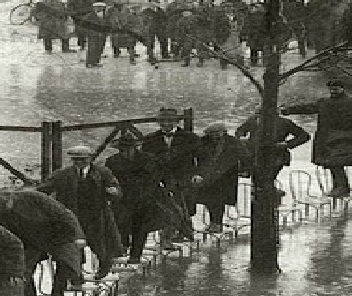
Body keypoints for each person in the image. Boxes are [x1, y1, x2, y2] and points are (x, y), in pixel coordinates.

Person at [281, 79, 352, 197]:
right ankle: (338, 186)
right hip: (329, 138)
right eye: (331, 89)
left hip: (347, 138)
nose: (333, 91)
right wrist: (288, 110)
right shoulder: (325, 102)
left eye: (336, 89)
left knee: (335, 162)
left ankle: (342, 188)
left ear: (342, 89)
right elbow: (307, 108)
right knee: (332, 163)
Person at [0, 187, 86, 296]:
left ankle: (58, 292)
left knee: (68, 261)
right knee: (22, 271)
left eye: (4, 205)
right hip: (27, 241)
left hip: (56, 233)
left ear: (9, 198)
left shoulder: (34, 197)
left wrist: (78, 236)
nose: (4, 209)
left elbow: (64, 214)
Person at [37, 144, 123, 279]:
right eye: (76, 159)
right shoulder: (62, 174)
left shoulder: (102, 172)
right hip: (72, 214)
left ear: (90, 158)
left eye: (82, 159)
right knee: (73, 245)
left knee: (99, 243)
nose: (79, 162)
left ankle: (104, 266)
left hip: (96, 214)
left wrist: (113, 192)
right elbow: (44, 189)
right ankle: (77, 274)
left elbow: (116, 190)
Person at [106, 136, 174, 262]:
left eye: (127, 149)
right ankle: (122, 250)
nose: (124, 152)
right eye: (121, 150)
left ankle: (135, 256)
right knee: (120, 224)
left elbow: (156, 178)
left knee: (140, 227)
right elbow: (110, 179)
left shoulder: (149, 159)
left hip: (145, 197)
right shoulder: (112, 161)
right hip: (123, 199)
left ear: (134, 148)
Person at [140, 107, 202, 239]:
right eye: (163, 121)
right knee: (164, 205)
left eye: (170, 121)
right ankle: (168, 232)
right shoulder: (150, 139)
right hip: (160, 178)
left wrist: (198, 174)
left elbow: (201, 158)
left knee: (185, 204)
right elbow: (144, 161)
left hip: (184, 176)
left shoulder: (190, 138)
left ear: (176, 122)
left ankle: (184, 229)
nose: (166, 124)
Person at [193, 122, 251, 232]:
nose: (212, 136)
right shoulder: (203, 141)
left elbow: (245, 156)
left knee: (219, 200)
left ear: (222, 132)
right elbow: (195, 156)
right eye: (211, 134)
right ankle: (214, 223)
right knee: (210, 200)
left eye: (215, 133)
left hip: (226, 176)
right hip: (208, 176)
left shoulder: (232, 142)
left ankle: (216, 224)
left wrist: (245, 170)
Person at [234, 110, 311, 175]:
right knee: (261, 179)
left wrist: (287, 144)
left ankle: (264, 188)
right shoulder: (254, 120)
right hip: (256, 154)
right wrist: (242, 139)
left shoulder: (284, 122)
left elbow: (304, 136)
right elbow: (239, 131)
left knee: (265, 179)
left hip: (274, 155)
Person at [84, 1, 111, 67]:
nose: (99, 9)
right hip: (93, 34)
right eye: (97, 7)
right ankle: (89, 62)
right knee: (92, 48)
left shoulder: (106, 15)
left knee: (100, 48)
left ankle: (96, 62)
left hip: (102, 34)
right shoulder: (90, 16)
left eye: (101, 7)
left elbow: (109, 23)